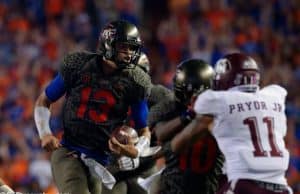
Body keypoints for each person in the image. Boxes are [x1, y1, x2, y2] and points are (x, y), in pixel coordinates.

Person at [34, 20, 153, 194]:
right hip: (70, 150)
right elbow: (44, 100)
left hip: (105, 160)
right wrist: (45, 133)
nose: (129, 53)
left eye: (132, 48)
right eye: (123, 47)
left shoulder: (136, 81)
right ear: (108, 43)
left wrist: (135, 151)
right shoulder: (79, 65)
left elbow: (144, 131)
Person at [167, 53, 292, 194]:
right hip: (282, 187)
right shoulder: (274, 96)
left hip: (244, 184)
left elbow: (179, 143)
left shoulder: (218, 100)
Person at [149, 59, 224, 194]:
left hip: (208, 185)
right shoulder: (172, 107)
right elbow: (160, 132)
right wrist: (188, 115)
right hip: (175, 186)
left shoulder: (219, 112)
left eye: (182, 89)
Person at [108, 52, 172, 194]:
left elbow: (177, 138)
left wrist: (142, 156)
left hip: (144, 170)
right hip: (112, 170)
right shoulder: (106, 98)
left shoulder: (160, 97)